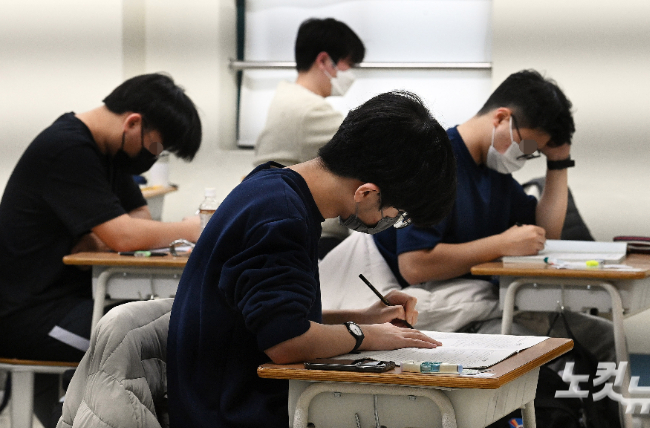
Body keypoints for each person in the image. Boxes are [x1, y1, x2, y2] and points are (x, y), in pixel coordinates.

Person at [167, 90, 457, 428]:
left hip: (224, 401)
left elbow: (271, 318)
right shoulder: (283, 217)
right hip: (234, 414)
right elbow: (285, 342)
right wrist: (367, 335)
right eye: (397, 212)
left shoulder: (269, 185)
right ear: (366, 193)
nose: (392, 220)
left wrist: (362, 317)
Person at [320, 70, 614, 361]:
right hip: (403, 301)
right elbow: (414, 264)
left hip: (461, 304)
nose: (524, 157)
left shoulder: (495, 174)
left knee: (600, 338)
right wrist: (500, 245)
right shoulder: (437, 161)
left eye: (534, 153)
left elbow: (544, 236)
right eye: (527, 148)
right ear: (501, 119)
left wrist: (559, 162)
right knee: (547, 350)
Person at [0, 73, 202, 427]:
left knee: (155, 327)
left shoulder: (108, 152)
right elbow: (126, 237)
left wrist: (109, 235)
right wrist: (197, 227)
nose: (154, 159)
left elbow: (137, 220)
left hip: (69, 300)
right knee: (141, 346)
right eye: (157, 148)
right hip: (28, 314)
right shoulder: (67, 149)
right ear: (133, 122)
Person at [253, 17, 366, 258]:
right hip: (309, 240)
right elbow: (370, 148)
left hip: (283, 231)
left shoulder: (288, 97)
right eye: (349, 64)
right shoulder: (309, 110)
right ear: (324, 60)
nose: (351, 74)